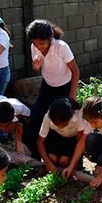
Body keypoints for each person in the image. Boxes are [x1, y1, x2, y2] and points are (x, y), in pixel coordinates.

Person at [25, 19, 80, 158]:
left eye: (42, 43)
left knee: (59, 120)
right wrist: (36, 67)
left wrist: (72, 96)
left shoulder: (61, 47)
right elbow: (38, 68)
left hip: (64, 87)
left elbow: (75, 71)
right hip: (47, 86)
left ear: (50, 38)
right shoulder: (34, 47)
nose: (39, 47)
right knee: (36, 116)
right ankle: (36, 155)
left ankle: (61, 154)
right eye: (35, 43)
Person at [37, 98, 84, 173]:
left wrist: (73, 166)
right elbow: (40, 142)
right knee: (52, 158)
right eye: (57, 125)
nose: (60, 127)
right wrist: (47, 162)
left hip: (72, 140)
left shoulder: (78, 116)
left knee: (64, 161)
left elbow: (80, 142)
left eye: (64, 124)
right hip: (56, 137)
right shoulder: (48, 117)